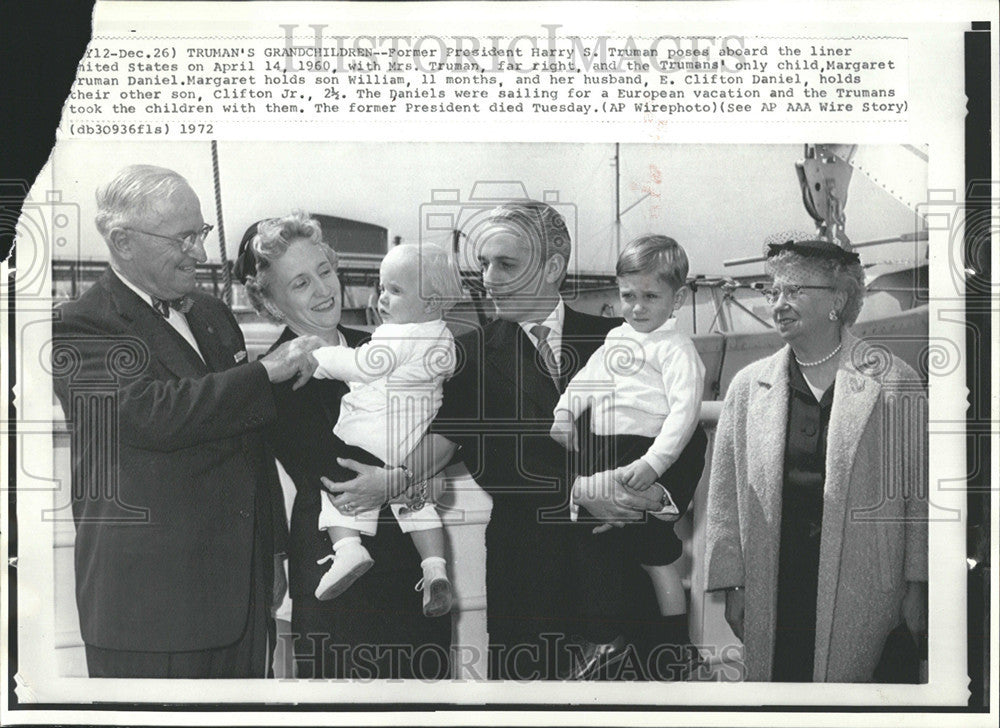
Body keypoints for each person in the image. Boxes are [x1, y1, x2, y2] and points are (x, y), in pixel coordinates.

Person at [51, 165, 317, 678]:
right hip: (150, 612)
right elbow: (150, 413)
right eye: (182, 238)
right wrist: (265, 373)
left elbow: (251, 442)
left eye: (201, 233)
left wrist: (275, 550)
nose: (198, 251)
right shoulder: (79, 325)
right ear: (123, 241)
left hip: (241, 599)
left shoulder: (213, 314)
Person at [429, 201, 674, 680]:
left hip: (621, 576)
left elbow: (678, 436)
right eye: (483, 263)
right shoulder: (469, 355)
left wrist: (659, 495)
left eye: (506, 264)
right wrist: (580, 492)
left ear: (552, 268)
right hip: (527, 585)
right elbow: (489, 458)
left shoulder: (621, 340)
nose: (488, 277)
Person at [236, 212, 454, 679]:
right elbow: (337, 467)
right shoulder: (272, 376)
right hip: (334, 563)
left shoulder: (383, 342)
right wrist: (416, 471)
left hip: (413, 565)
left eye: (324, 271)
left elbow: (453, 427)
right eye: (299, 283)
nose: (322, 290)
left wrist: (412, 473)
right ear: (270, 303)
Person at [704, 233, 928, 682]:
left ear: (838, 300)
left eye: (795, 290)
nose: (779, 302)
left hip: (867, 586)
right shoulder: (748, 387)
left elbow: (918, 496)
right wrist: (731, 581)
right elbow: (725, 496)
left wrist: (918, 586)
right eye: (774, 291)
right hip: (777, 582)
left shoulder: (894, 382)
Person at [550, 235, 707, 678]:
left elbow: (684, 416)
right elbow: (585, 382)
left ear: (677, 300)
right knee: (597, 548)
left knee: (656, 557)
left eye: (650, 297)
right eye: (628, 296)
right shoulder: (615, 340)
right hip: (603, 451)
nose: (637, 307)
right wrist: (564, 414)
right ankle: (605, 640)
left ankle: (677, 642)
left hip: (645, 450)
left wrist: (654, 466)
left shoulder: (677, 350)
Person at [307, 243, 461, 617]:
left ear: (431, 302)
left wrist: (316, 357)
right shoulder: (445, 340)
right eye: (382, 287)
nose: (382, 299)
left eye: (395, 290)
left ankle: (348, 550)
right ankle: (435, 568)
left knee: (336, 484)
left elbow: (363, 365)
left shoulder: (398, 335)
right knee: (416, 504)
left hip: (372, 434)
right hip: (411, 438)